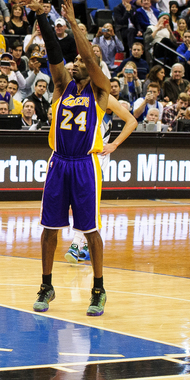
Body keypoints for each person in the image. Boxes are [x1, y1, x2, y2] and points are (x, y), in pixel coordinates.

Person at [30, 0, 111, 317]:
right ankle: (46, 284)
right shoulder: (62, 87)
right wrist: (42, 17)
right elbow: (52, 51)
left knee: (90, 230)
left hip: (85, 166)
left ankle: (98, 288)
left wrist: (75, 24)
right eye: (74, 61)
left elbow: (89, 59)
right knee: (49, 228)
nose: (75, 64)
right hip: (59, 162)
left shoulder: (101, 89)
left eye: (80, 62)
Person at [64, 93, 137, 263]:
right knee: (82, 202)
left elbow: (132, 121)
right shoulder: (73, 95)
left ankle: (76, 244)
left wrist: (115, 144)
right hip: (76, 155)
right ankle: (88, 245)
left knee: (86, 202)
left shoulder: (105, 98)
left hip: (96, 158)